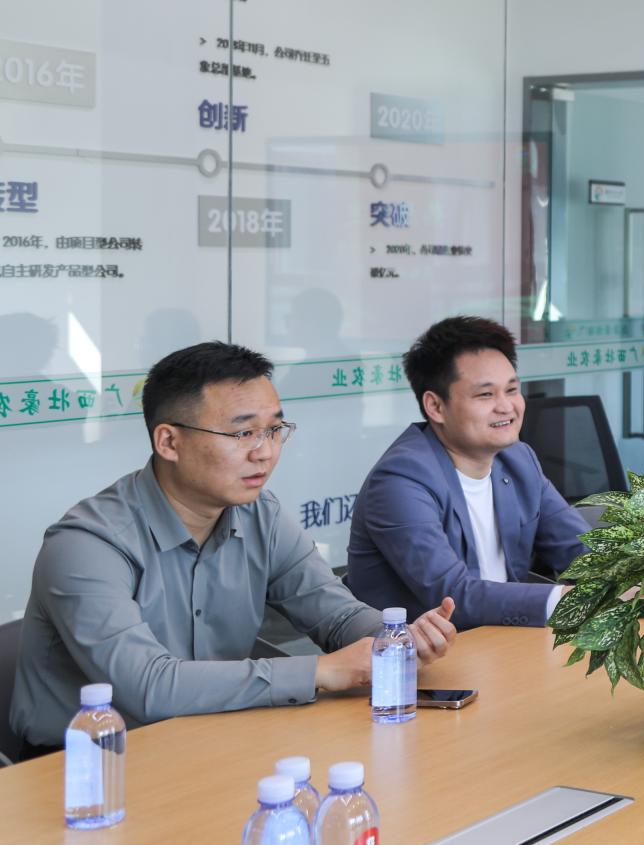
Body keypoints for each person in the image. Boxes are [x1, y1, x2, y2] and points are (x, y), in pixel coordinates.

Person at [8, 343, 457, 752]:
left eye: (274, 429)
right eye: (243, 434)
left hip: (212, 739)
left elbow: (335, 615)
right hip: (81, 768)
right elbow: (148, 687)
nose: (265, 452)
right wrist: (320, 672)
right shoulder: (87, 544)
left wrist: (398, 639)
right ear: (169, 441)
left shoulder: (260, 514)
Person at [347, 316, 590, 628]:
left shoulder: (518, 459)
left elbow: (578, 549)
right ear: (435, 407)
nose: (507, 406)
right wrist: (571, 600)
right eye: (486, 395)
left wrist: (631, 582)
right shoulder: (400, 481)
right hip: (423, 653)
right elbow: (454, 596)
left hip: (502, 640)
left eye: (512, 390)